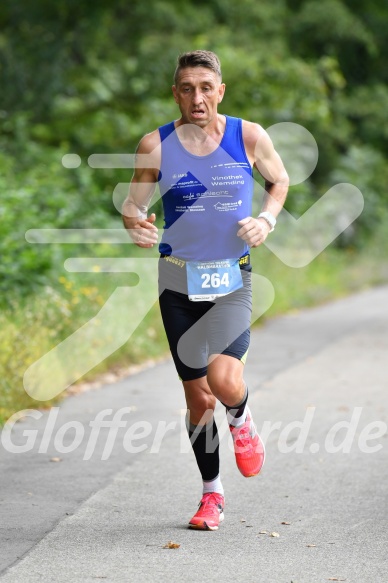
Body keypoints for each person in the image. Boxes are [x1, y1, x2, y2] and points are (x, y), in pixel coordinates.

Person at [122, 50, 289, 530]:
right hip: (176, 281)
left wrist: (266, 218)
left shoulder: (249, 136)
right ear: (175, 93)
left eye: (205, 87)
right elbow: (133, 206)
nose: (197, 97)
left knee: (224, 381)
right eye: (186, 88)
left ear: (220, 91)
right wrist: (136, 225)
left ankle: (241, 419)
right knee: (198, 400)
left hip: (231, 278)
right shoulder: (155, 145)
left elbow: (280, 181)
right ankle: (211, 496)